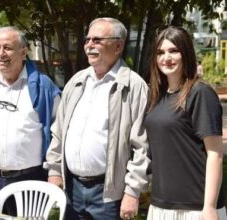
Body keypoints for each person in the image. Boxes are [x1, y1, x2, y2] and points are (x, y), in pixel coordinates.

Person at [45, 17, 150, 220]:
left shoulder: (134, 86)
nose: (89, 45)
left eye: (97, 40)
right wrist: (54, 170)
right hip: (72, 189)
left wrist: (132, 191)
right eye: (87, 40)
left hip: (108, 194)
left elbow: (142, 147)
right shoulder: (76, 81)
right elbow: (58, 132)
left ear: (118, 45)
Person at [0, 26, 61, 212]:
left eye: (7, 48)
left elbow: (59, 133)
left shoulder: (44, 87)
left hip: (29, 179)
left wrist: (55, 172)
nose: (0, 54)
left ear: (23, 52)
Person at [145, 26, 226, 220]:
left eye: (174, 51)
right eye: (160, 52)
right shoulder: (157, 96)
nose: (166, 58)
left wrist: (209, 207)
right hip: (161, 204)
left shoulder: (200, 93)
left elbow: (215, 154)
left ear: (186, 53)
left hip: (195, 207)